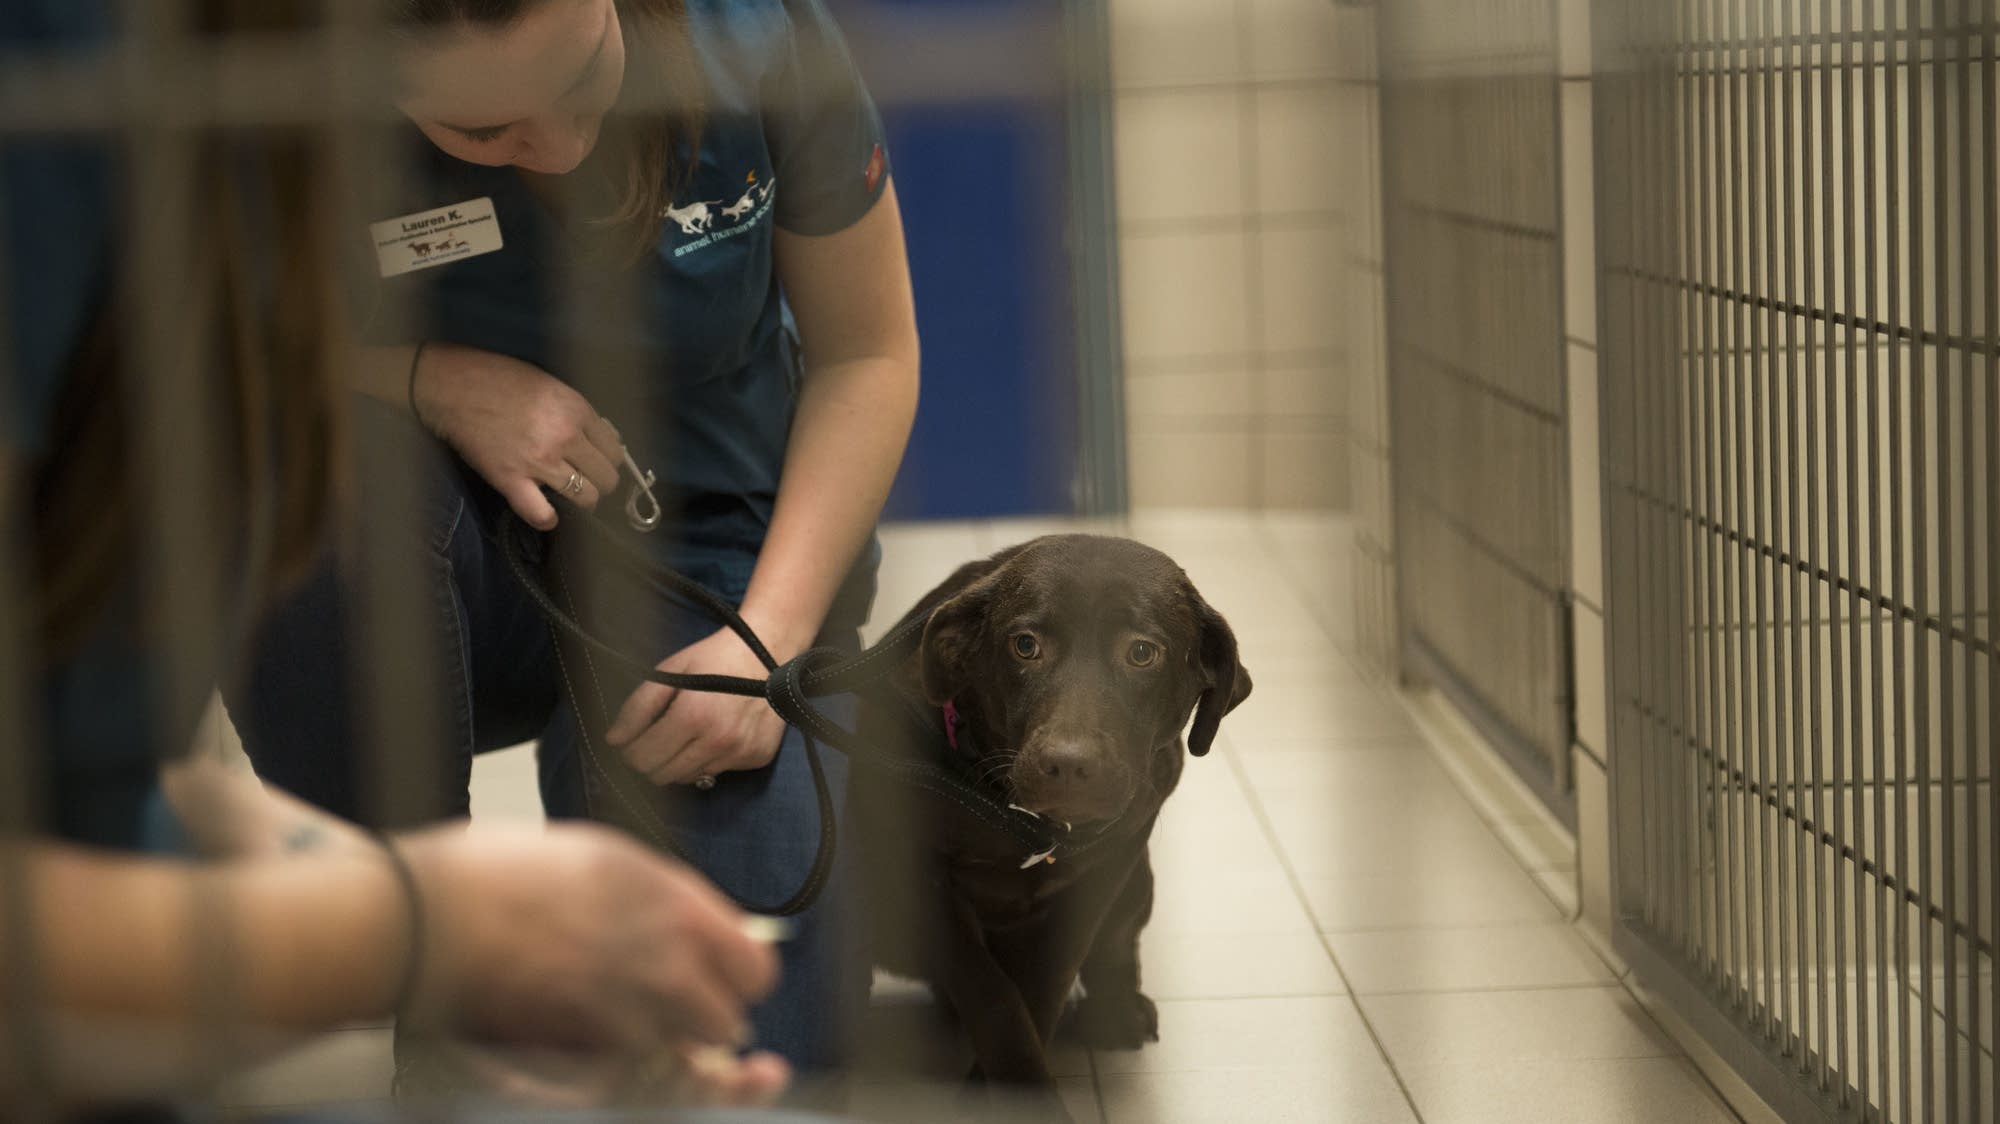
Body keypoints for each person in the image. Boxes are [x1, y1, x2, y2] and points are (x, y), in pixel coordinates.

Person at [0, 0, 795, 1113]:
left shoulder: (235, 142)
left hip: (675, 558)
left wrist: (450, 914)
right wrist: (424, 927)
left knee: (760, 996)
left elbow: (82, 780)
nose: (556, 154)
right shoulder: (65, 106)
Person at [228, 0, 921, 1082]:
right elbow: (192, 349)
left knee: (763, 1027)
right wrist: (430, 379)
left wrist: (769, 637)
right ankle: (430, 958)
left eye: (581, 79)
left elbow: (867, 353)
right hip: (437, 545)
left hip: (710, 547)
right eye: (481, 134)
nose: (557, 146)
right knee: (305, 485)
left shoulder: (757, 36)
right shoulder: (276, 82)